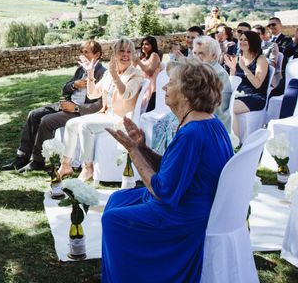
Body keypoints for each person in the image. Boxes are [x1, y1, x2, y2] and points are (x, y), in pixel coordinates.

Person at [102, 59, 232, 283]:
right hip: (188, 200)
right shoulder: (208, 123)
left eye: (170, 82)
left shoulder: (192, 133)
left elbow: (162, 191)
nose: (163, 87)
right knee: (117, 198)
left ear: (186, 92)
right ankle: (123, 270)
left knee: (114, 221)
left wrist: (133, 152)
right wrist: (142, 148)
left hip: (184, 215)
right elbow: (174, 169)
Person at [1, 40, 106, 172]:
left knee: (46, 121)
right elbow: (64, 89)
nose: (83, 55)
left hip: (78, 111)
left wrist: (76, 108)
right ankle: (22, 157)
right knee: (34, 114)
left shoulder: (102, 73)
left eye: (86, 52)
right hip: (65, 104)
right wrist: (75, 85)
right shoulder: (81, 70)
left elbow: (101, 104)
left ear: (97, 55)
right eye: (81, 52)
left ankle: (38, 161)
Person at [57, 37, 143, 181]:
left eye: (129, 51)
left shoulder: (136, 74)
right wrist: (90, 73)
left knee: (85, 126)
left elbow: (127, 94)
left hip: (121, 119)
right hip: (106, 114)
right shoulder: (109, 73)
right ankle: (65, 165)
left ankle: (87, 167)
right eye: (121, 51)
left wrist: (115, 76)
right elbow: (92, 94)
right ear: (115, 54)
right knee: (70, 124)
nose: (125, 55)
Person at [224, 30, 269, 142]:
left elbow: (257, 84)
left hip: (256, 97)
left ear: (253, 42)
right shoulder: (239, 58)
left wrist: (244, 68)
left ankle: (236, 144)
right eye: (241, 39)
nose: (242, 42)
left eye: (246, 40)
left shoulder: (261, 59)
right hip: (240, 95)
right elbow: (233, 80)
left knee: (230, 107)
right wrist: (232, 69)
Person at [134, 36, 161, 111]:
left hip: (152, 91)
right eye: (142, 44)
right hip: (143, 91)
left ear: (153, 46)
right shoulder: (142, 59)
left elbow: (150, 71)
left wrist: (138, 62)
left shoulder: (154, 55)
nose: (143, 46)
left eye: (146, 44)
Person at [253, 24, 280, 89]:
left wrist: (259, 60)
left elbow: (272, 64)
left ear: (263, 35)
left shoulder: (272, 45)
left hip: (267, 76)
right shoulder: (248, 46)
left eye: (257, 34)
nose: (254, 36)